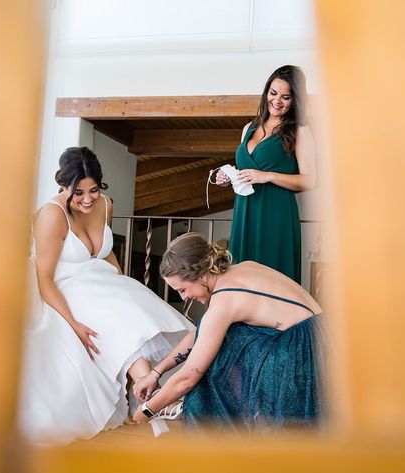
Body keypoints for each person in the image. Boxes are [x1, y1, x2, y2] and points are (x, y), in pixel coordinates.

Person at [19, 146, 194, 445]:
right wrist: (74, 324)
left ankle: (150, 390)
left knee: (130, 304)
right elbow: (45, 279)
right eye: (79, 193)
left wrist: (124, 281)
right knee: (116, 313)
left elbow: (104, 251)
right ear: (63, 186)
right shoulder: (53, 215)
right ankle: (150, 391)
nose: (87, 199)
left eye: (94, 190)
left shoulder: (105, 205)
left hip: (100, 282)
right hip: (66, 288)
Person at [132, 232, 323, 432]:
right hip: (321, 337)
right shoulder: (243, 268)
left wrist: (147, 410)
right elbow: (202, 333)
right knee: (222, 338)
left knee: (218, 355)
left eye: (183, 289)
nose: (185, 297)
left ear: (201, 276)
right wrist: (155, 373)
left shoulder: (225, 300)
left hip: (302, 351)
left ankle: (208, 414)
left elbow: (187, 379)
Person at [215, 65, 315, 284]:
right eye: (273, 93)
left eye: (286, 97)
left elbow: (309, 180)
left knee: (273, 276)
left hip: (276, 212)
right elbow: (246, 172)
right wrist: (228, 178)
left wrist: (268, 176)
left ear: (295, 99)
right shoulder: (248, 127)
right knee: (241, 274)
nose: (277, 101)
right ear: (266, 92)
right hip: (245, 210)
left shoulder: (299, 130)